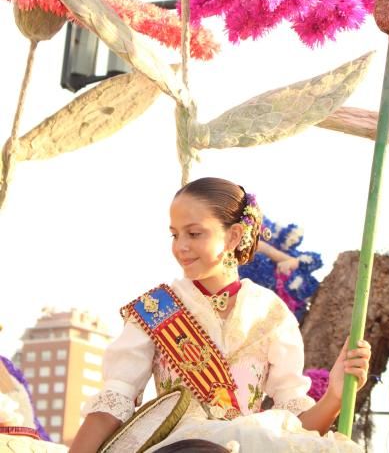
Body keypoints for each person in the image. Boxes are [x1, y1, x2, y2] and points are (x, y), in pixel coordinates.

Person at [70, 178, 371, 453]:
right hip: (178, 447)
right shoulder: (156, 309)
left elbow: (298, 430)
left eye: (194, 233)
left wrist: (335, 395)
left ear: (233, 236)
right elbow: (113, 404)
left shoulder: (271, 314)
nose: (181, 247)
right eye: (175, 235)